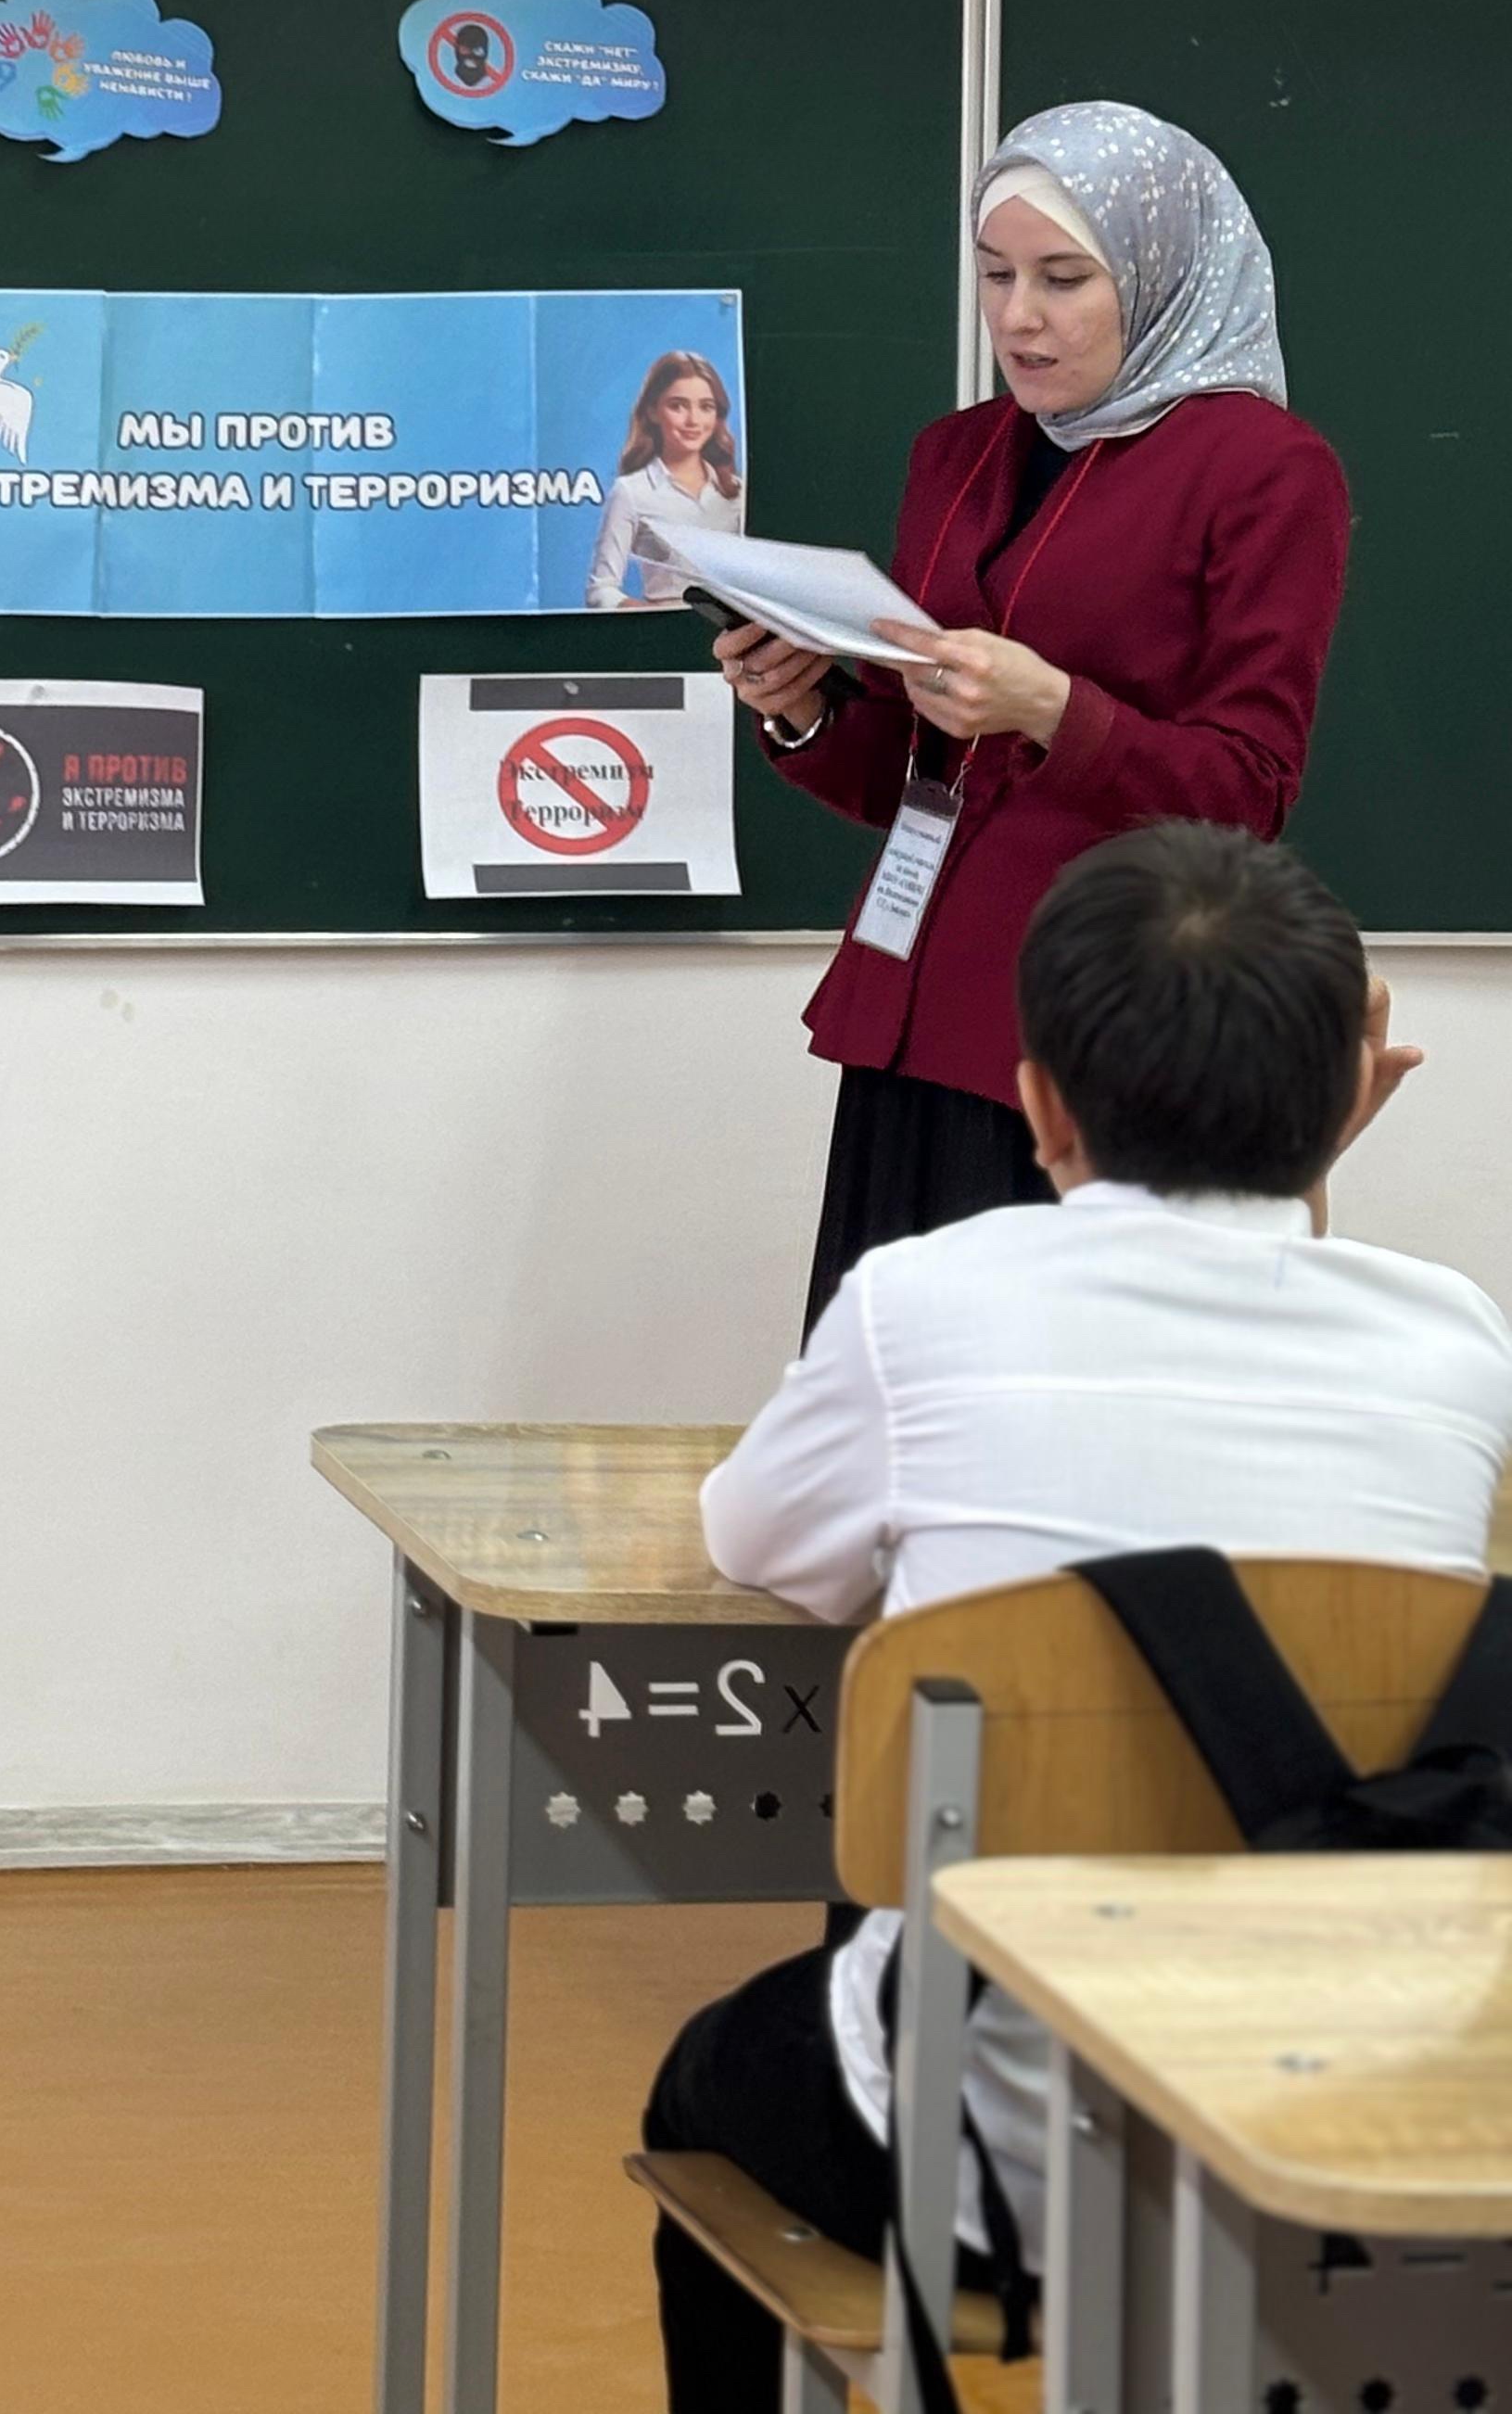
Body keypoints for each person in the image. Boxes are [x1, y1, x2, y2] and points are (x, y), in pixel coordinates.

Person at [641, 822, 1512, 2414]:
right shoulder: (1456, 1339)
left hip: (996, 2152)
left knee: (704, 2083)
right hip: (1375, 2118)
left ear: (1037, 1098)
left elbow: (752, 1540)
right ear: (1345, 1091)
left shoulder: (921, 1299)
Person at [711, 100, 1352, 1327]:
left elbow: (1250, 792)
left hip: (1108, 1025)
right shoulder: (956, 454)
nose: (1016, 317)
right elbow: (919, 767)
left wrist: (1057, 708)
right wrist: (804, 711)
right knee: (889, 1383)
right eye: (995, 274)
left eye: (1063, 279)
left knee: (1050, 1395)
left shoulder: (1264, 470)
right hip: (918, 1004)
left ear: (1157, 277)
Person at [584, 349, 745, 608]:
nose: (693, 420)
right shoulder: (632, 491)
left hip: (735, 628)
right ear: (653, 411)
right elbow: (600, 590)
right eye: (678, 406)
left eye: (706, 407)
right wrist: (654, 615)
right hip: (666, 625)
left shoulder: (738, 492)